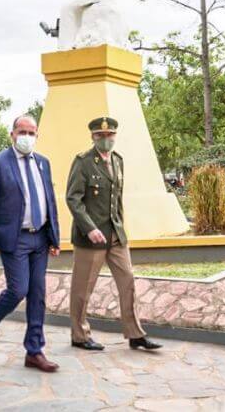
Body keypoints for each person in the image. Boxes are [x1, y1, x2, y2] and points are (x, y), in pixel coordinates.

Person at [66, 117, 161, 352]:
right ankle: (79, 335)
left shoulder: (118, 160)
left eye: (110, 135)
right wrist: (90, 228)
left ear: (115, 136)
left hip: (116, 235)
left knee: (128, 282)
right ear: (93, 137)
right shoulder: (83, 162)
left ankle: (135, 333)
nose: (106, 139)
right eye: (101, 135)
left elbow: (116, 200)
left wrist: (120, 226)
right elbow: (73, 199)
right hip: (91, 237)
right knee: (83, 289)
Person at [0, 115, 61, 372]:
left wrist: (54, 237)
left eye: (31, 133)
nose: (26, 137)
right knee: (18, 289)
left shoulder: (43, 162)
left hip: (40, 237)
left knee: (38, 294)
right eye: (22, 132)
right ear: (12, 134)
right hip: (15, 238)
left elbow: (49, 200)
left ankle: (34, 351)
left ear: (37, 135)